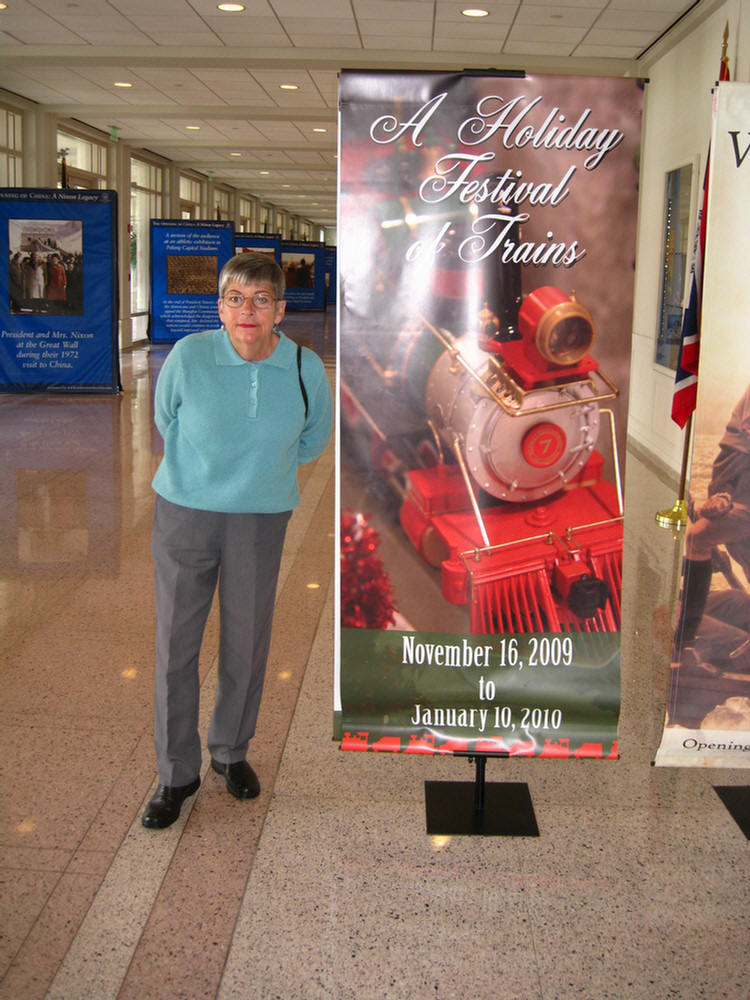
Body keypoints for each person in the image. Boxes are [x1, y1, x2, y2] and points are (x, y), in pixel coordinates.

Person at [142, 252, 333, 829]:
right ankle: (176, 772)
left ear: (280, 308)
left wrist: (259, 477)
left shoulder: (304, 366)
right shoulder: (190, 355)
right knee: (176, 646)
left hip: (259, 518)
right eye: (234, 298)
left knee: (247, 644)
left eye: (260, 300)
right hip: (185, 514)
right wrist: (205, 473)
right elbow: (166, 419)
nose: (246, 310)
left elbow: (313, 438)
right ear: (218, 306)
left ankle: (230, 752)